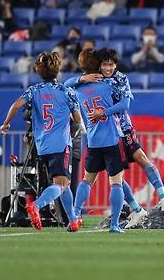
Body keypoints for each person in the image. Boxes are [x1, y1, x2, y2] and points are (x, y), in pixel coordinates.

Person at [67, 48, 164, 228]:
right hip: (109, 135)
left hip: (123, 129)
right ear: (99, 65)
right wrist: (81, 78)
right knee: (116, 177)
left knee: (141, 159)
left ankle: (163, 198)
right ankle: (136, 210)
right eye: (105, 64)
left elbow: (125, 104)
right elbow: (67, 83)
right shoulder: (94, 79)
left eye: (111, 64)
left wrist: (103, 112)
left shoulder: (119, 79)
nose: (108, 68)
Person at [0, 52, 83, 232]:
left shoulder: (33, 90)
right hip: (61, 145)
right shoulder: (66, 91)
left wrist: (6, 124)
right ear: (57, 70)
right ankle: (36, 205)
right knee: (60, 185)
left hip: (42, 146)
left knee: (63, 184)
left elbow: (16, 105)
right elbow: (76, 118)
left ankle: (73, 220)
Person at [64, 49, 126, 233]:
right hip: (111, 139)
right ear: (98, 65)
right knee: (116, 183)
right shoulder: (109, 84)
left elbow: (64, 84)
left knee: (86, 180)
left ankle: (74, 218)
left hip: (93, 141)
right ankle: (115, 224)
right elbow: (125, 104)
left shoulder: (77, 89)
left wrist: (81, 79)